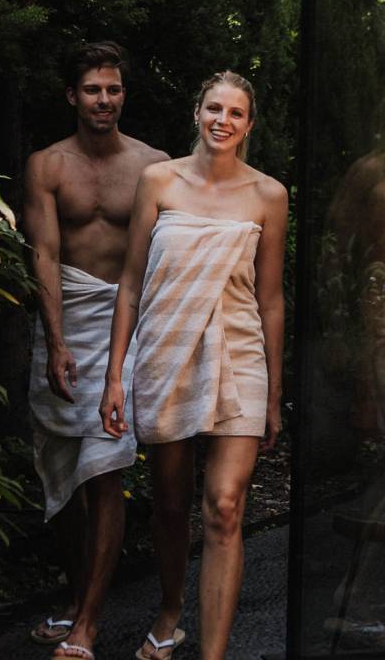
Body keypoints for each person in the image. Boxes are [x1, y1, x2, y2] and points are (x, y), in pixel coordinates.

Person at [99, 71, 288, 660]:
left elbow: (272, 299)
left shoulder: (269, 195)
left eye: (236, 113)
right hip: (166, 351)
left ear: (249, 125)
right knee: (172, 503)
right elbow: (130, 285)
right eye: (214, 108)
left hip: (240, 354)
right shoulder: (159, 181)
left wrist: (275, 394)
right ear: (197, 112)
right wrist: (114, 375)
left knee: (226, 507)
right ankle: (172, 607)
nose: (223, 121)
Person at [25, 42, 169, 660]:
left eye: (113, 90)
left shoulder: (154, 166)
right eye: (92, 90)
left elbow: (162, 258)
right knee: (61, 473)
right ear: (71, 96)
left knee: (106, 470)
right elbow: (46, 256)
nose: (104, 100)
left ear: (123, 96)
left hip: (126, 327)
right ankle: (77, 592)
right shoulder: (47, 166)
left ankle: (87, 623)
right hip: (65, 319)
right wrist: (56, 341)